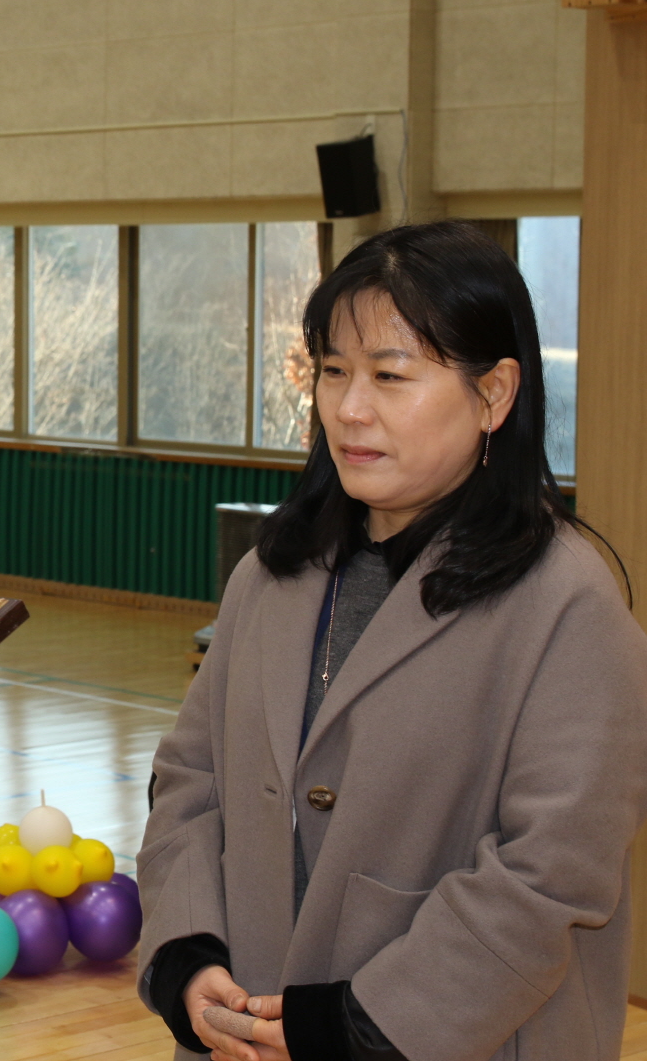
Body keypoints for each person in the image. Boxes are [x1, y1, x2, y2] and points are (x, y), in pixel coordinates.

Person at [136, 221, 647, 1061]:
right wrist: (190, 958)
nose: (350, 407)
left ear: (495, 395)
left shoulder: (567, 608)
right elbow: (190, 781)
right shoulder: (275, 576)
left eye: (390, 376)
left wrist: (357, 1028)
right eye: (333, 372)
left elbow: (549, 875)